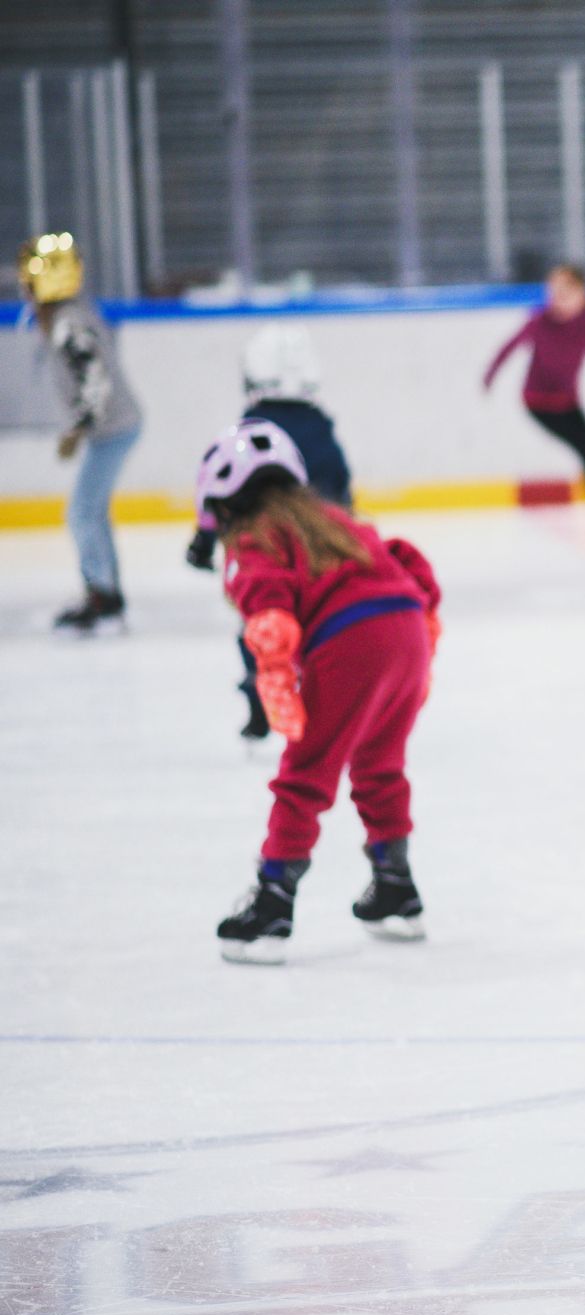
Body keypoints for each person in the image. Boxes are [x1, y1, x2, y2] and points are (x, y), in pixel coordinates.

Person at [197, 419, 442, 965]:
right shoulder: (334, 522)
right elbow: (405, 557)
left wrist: (275, 677)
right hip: (407, 628)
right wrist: (426, 626)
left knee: (306, 771)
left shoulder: (256, 539)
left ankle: (273, 902)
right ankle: (395, 886)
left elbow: (268, 604)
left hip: (351, 641)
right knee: (380, 763)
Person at [186, 324, 356, 739]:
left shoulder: (251, 433)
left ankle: (260, 695)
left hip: (264, 550)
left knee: (260, 620)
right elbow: (341, 494)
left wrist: (203, 541)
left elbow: (221, 489)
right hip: (319, 555)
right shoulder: (321, 431)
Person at [18, 232, 144, 632]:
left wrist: (79, 428)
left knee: (82, 512)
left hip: (113, 430)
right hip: (114, 428)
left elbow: (95, 380)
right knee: (91, 510)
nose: (24, 289)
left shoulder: (67, 324)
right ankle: (106, 589)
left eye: (29, 280)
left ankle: (102, 593)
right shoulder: (68, 317)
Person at [483, 262, 585, 553]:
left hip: (569, 404)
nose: (557, 296)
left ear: (584, 294)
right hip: (537, 403)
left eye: (566, 290)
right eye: (554, 290)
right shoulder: (540, 320)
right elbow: (509, 346)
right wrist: (490, 375)